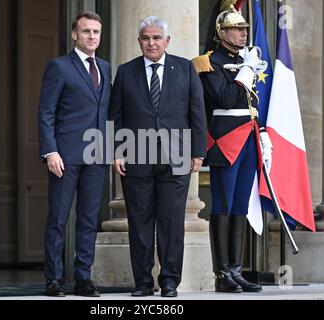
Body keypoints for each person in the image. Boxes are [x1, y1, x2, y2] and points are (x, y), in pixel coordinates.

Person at [110, 16, 207, 298]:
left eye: (156, 38)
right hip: (136, 157)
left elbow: (196, 113)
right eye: (145, 38)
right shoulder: (126, 72)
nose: (151, 43)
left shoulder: (185, 69)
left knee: (172, 223)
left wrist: (198, 152)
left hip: (176, 157)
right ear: (139, 41)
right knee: (139, 224)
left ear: (167, 41)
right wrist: (115, 151)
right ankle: (142, 283)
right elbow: (114, 116)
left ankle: (169, 282)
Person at [192, 7, 271, 293]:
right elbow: (225, 98)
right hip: (225, 140)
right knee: (223, 204)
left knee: (240, 205)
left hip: (248, 138)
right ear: (221, 33)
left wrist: (262, 133)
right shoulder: (208, 63)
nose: (243, 33)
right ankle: (222, 273)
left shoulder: (244, 60)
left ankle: (236, 270)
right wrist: (247, 69)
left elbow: (251, 104)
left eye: (245, 29)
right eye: (237, 29)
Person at [38, 11, 111, 297]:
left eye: (95, 32)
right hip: (64, 156)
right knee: (58, 217)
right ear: (74, 35)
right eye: (86, 31)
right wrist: (49, 151)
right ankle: (53, 279)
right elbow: (46, 111)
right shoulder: (59, 67)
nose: (91, 36)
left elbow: (105, 111)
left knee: (89, 219)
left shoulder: (105, 67)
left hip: (97, 156)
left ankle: (83, 278)